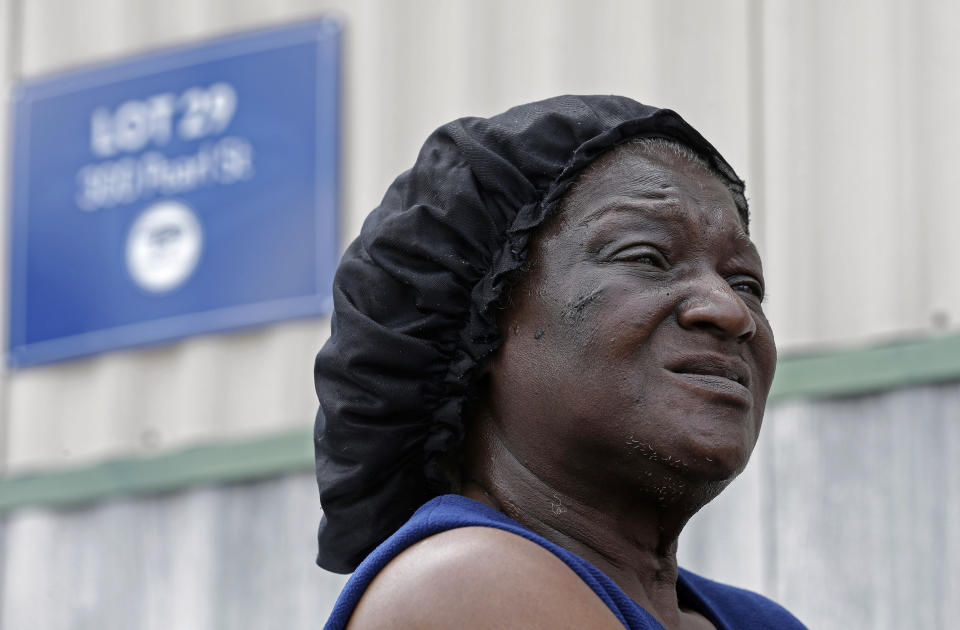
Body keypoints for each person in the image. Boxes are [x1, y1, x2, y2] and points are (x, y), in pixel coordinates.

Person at [314, 95, 806, 629]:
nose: (731, 310)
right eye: (645, 256)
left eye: (746, 283)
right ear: (482, 330)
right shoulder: (465, 585)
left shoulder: (755, 620)